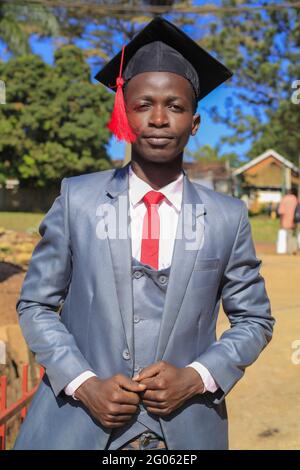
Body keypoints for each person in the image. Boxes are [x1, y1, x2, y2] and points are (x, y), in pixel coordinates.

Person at [14, 17, 274, 451]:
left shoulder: (228, 217)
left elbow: (255, 319)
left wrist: (197, 376)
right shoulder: (77, 200)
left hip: (186, 432)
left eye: (174, 106)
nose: (158, 118)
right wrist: (83, 382)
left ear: (194, 123)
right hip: (79, 428)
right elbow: (36, 304)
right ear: (124, 113)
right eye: (143, 105)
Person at [277, 189, 298, 255]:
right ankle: (294, 248)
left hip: (285, 220)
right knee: (293, 235)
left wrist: (280, 221)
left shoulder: (284, 199)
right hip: (294, 220)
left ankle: (290, 251)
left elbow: (281, 211)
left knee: (288, 235)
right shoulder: (295, 199)